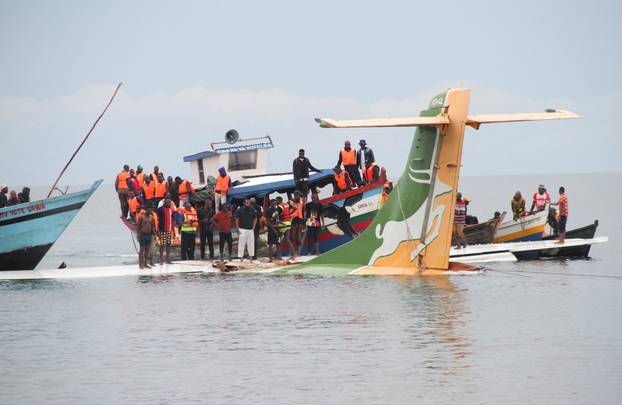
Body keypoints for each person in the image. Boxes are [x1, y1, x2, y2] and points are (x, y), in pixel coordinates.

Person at [136, 204, 157, 269]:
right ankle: (140, 264)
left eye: (152, 209)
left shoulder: (151, 217)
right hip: (142, 234)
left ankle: (145, 263)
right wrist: (138, 235)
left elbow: (153, 227)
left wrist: (154, 235)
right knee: (142, 250)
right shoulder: (141, 217)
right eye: (150, 209)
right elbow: (138, 227)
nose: (151, 210)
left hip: (149, 235)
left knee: (147, 250)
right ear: (147, 209)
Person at [157, 197, 176, 264]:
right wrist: (158, 230)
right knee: (162, 245)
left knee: (168, 244)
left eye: (170, 203)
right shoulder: (160, 210)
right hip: (162, 230)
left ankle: (167, 259)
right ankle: (161, 260)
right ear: (164, 203)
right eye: (168, 202)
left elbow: (173, 219)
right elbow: (158, 220)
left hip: (169, 230)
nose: (169, 204)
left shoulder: (171, 210)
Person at [289, 191, 305, 255]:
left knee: (296, 235)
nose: (298, 196)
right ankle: (295, 251)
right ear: (294, 195)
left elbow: (299, 209)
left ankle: (296, 251)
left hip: (297, 219)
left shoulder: (299, 201)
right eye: (296, 195)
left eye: (298, 195)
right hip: (296, 219)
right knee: (294, 235)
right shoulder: (297, 201)